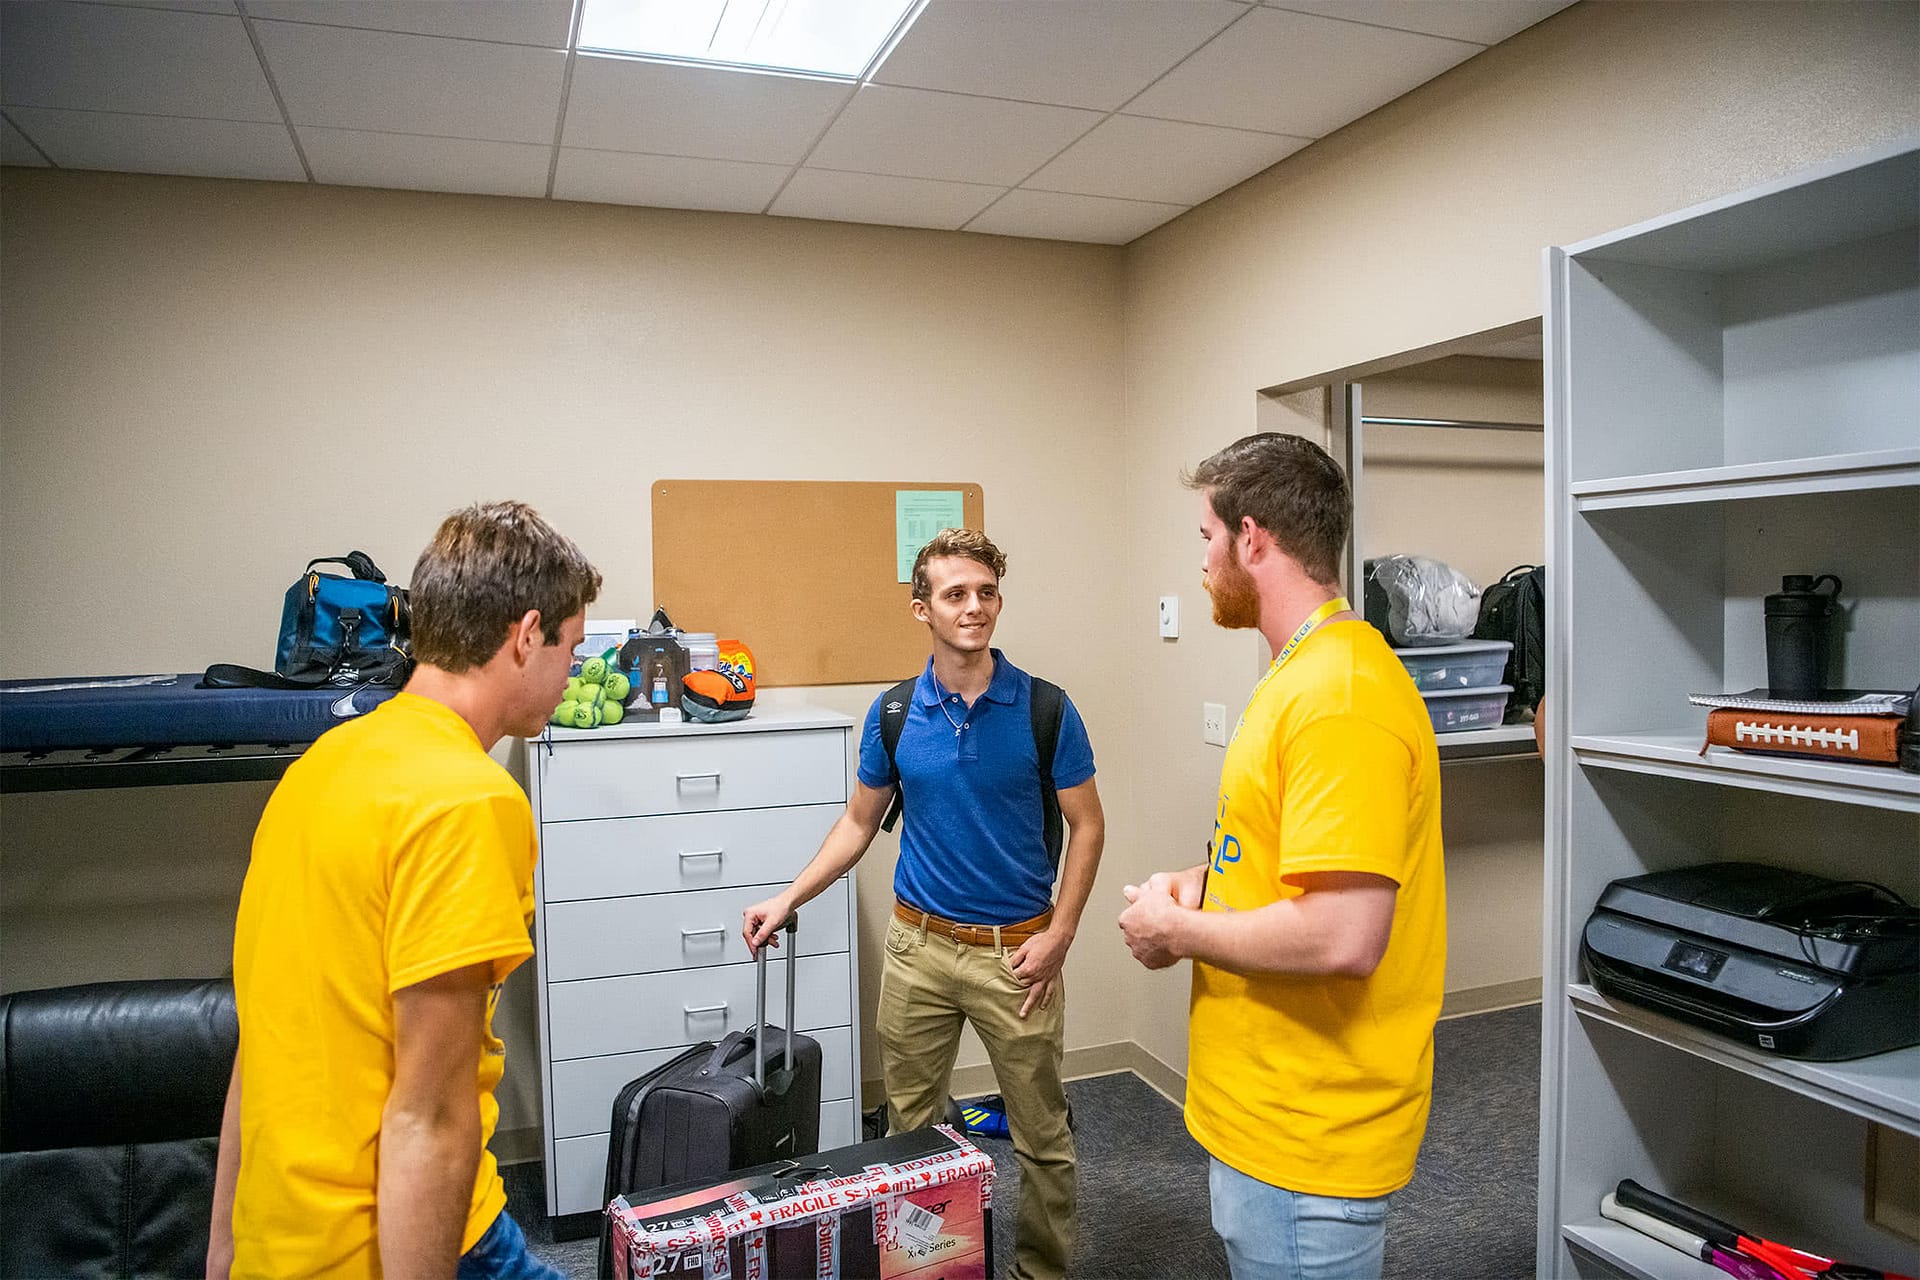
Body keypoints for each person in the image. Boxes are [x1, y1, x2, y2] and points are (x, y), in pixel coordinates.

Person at [209, 501, 601, 1280]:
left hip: (273, 1239)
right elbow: (432, 1118)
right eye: (572, 649)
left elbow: (261, 1043)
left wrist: (220, 1254)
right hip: (399, 1245)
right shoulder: (468, 801)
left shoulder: (318, 768)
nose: (572, 674)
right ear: (527, 636)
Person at [1118, 433, 1446, 1280]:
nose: (1202, 563)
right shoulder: (1295, 674)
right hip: (1262, 1113)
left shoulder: (1340, 697)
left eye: (1206, 539)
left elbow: (1343, 935)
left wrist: (1177, 934)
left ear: (1252, 537)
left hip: (1310, 1135)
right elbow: (1282, 856)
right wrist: (1198, 885)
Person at [742, 528, 1105, 1280]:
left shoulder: (1045, 709)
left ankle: (1041, 1272)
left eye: (986, 593)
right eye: (955, 595)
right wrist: (787, 897)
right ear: (922, 609)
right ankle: (931, 1269)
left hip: (1019, 955)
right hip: (919, 951)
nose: (975, 608)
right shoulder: (896, 714)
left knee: (1042, 1136)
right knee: (912, 1133)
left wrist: (1062, 934)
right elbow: (856, 824)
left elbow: (1088, 825)